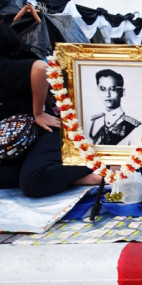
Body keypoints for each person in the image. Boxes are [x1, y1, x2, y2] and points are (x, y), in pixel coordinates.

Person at [0, 23, 100, 197]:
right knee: (24, 176)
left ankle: (93, 164)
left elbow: (40, 68)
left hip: (44, 133)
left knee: (33, 182)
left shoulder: (6, 67)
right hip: (15, 143)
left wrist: (38, 112)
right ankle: (63, 177)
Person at [88, 69, 142, 146]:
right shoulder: (93, 122)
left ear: (122, 92)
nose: (107, 94)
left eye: (113, 89)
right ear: (98, 91)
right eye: (103, 89)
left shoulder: (136, 128)